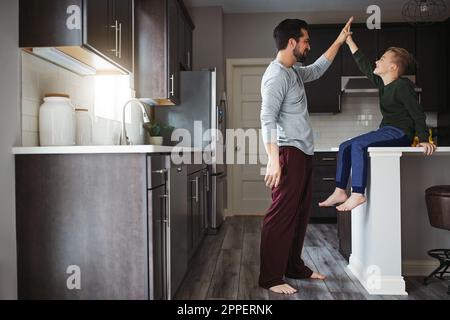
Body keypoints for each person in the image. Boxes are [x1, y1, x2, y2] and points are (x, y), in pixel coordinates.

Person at [259, 17, 353, 295]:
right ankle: (270, 277)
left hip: (302, 154)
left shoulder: (294, 73)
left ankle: (293, 267)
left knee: (299, 216)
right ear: (292, 42)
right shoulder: (276, 75)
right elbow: (267, 117)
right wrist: (274, 158)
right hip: (288, 154)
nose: (308, 46)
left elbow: (318, 68)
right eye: (305, 40)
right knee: (280, 216)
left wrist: (339, 40)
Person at [319, 32, 436, 212]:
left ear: (393, 67)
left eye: (382, 59)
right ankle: (340, 190)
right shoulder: (383, 85)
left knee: (357, 145)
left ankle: (358, 193)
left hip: (400, 133)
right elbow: (364, 65)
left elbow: (417, 113)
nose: (377, 61)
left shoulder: (402, 86)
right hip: (387, 130)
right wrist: (349, 40)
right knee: (345, 146)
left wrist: (423, 138)